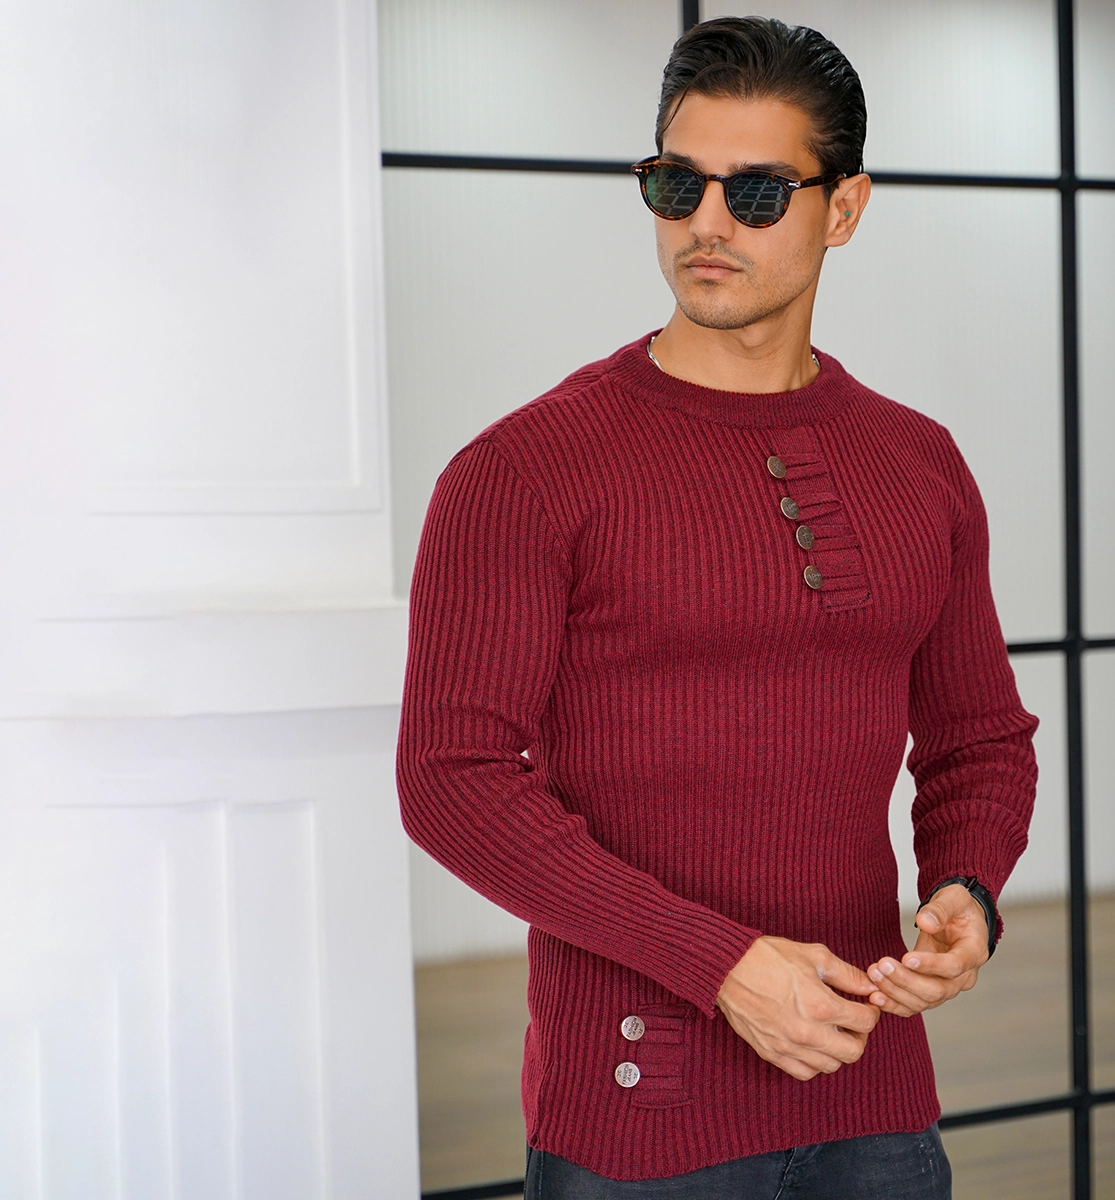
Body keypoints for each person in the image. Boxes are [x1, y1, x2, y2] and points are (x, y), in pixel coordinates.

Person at [397, 16, 1037, 1199]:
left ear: (844, 209)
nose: (706, 222)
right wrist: (722, 963)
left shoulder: (920, 462)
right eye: (676, 183)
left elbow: (979, 736)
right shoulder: (522, 470)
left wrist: (967, 891)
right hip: (637, 1119)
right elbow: (452, 780)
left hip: (874, 1097)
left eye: (755, 191)